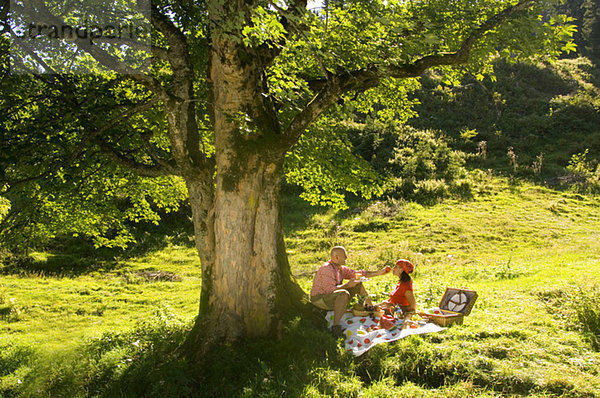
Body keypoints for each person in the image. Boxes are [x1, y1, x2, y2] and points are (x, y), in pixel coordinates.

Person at [310, 246, 391, 338]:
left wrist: (379, 272)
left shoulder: (339, 268)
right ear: (336, 258)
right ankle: (335, 327)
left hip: (330, 296)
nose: (346, 257)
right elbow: (330, 290)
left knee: (358, 285)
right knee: (344, 293)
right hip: (320, 299)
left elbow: (358, 273)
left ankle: (372, 310)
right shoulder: (326, 269)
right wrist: (347, 285)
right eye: (344, 256)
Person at [379, 259, 417, 324]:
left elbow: (413, 307)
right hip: (392, 312)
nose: (393, 268)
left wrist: (392, 307)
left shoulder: (406, 286)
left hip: (400, 316)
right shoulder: (400, 283)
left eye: (396, 266)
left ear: (402, 270)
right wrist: (387, 302)